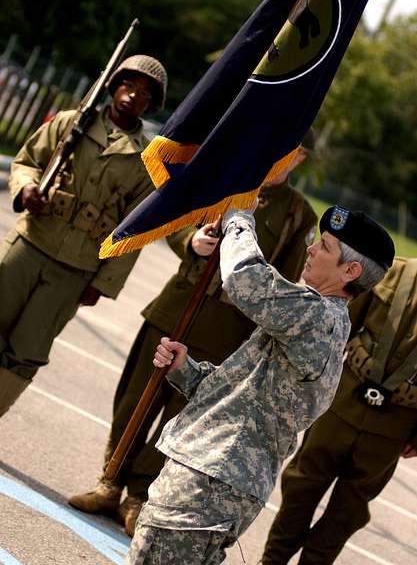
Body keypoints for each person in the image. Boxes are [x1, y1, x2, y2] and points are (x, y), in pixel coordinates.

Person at [69, 130, 318, 535]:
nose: (280, 158)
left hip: (225, 331)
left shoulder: (296, 214)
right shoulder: (227, 179)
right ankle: (109, 480)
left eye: (291, 154)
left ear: (300, 159)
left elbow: (284, 283)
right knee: (135, 396)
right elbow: (175, 217)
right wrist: (193, 240)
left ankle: (138, 495)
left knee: (178, 415)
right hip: (176, 307)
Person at [124, 204, 394, 565]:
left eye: (325, 247)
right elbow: (245, 399)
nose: (311, 249)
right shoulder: (322, 320)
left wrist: (239, 217)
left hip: (211, 477)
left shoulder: (316, 315)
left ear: (350, 271)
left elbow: (244, 280)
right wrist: (184, 369)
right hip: (217, 474)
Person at [0, 54, 167, 417]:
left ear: (152, 105)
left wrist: (103, 281)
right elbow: (27, 161)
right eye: (129, 85)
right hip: (29, 243)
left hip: (74, 270)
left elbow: (133, 230)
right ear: (113, 86)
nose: (133, 96)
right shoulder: (69, 123)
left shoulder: (145, 162)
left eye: (144, 93)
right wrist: (27, 188)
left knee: (26, 351)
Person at [261, 255, 417, 565]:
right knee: (301, 487)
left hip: (397, 423)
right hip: (343, 399)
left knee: (349, 511)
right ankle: (271, 561)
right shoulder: (391, 272)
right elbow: (341, 326)